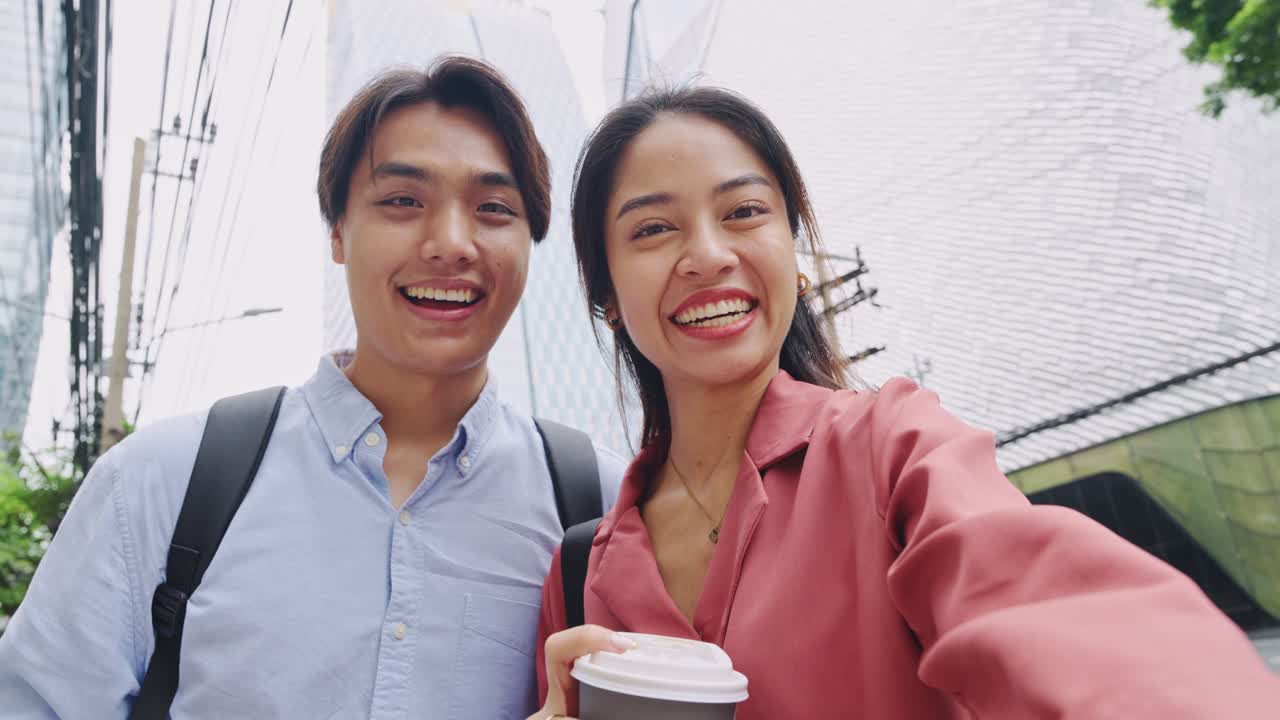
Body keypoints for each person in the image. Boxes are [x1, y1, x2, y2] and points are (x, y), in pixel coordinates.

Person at [529, 85, 1280, 719]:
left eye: (744, 213)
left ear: (794, 256)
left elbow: (1052, 609)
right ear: (606, 298)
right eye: (653, 229)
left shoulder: (894, 449)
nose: (708, 254)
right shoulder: (574, 576)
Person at [0, 56, 624, 719]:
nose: (450, 242)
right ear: (337, 230)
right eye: (403, 201)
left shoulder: (600, 512)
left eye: (494, 208)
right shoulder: (159, 484)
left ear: (532, 240)